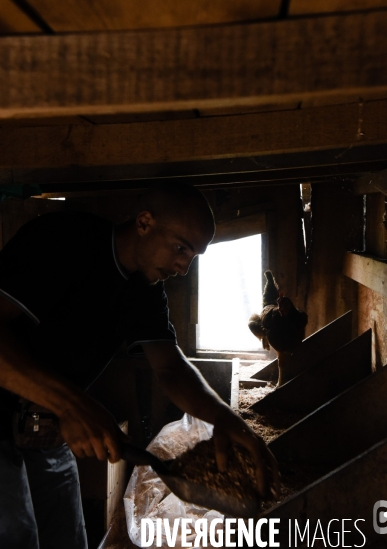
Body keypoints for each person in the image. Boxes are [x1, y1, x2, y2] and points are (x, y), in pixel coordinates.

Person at [0, 182, 279, 549]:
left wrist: (228, 421)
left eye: (193, 256)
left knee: (67, 539)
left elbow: (171, 369)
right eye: (181, 248)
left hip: (44, 430)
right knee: (16, 537)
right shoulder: (62, 240)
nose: (183, 266)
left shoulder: (144, 292)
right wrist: (72, 405)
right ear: (144, 222)